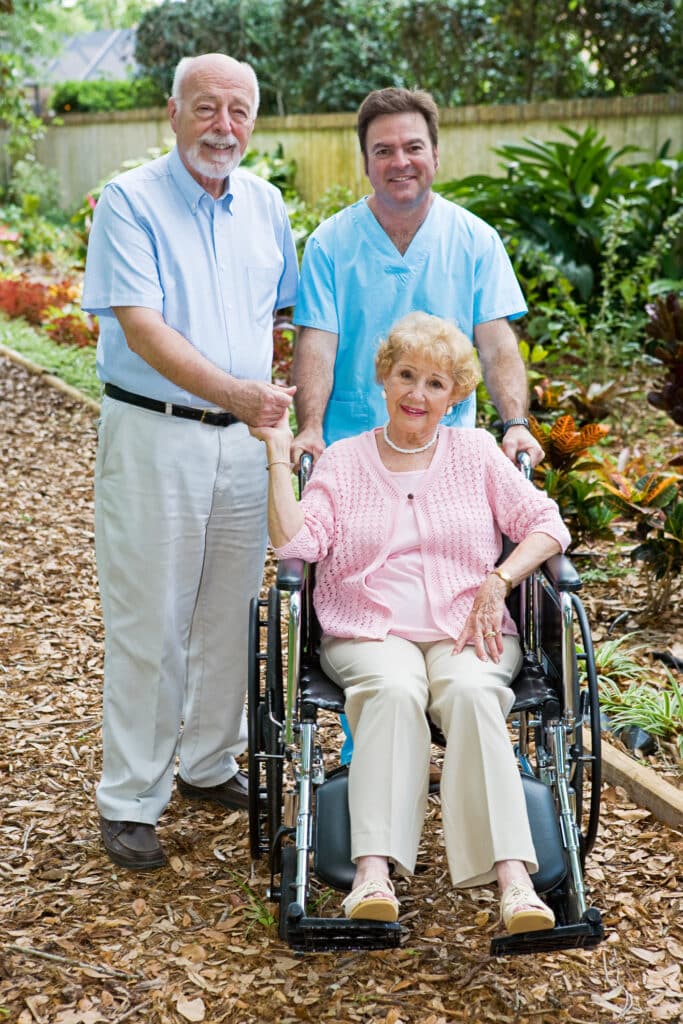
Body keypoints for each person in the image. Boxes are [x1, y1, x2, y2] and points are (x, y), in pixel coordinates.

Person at [251, 312, 570, 933]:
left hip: (466, 626)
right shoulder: (343, 461)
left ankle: (514, 880)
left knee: (477, 693)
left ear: (454, 397)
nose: (417, 394)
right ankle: (372, 872)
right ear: (383, 378)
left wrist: (500, 578)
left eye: (435, 383)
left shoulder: (475, 452)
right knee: (395, 692)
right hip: (370, 628)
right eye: (406, 376)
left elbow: (546, 524)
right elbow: (297, 544)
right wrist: (274, 452)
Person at [81, 53, 299, 871]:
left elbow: (276, 317)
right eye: (206, 108)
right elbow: (142, 327)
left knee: (229, 613)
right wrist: (242, 397)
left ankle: (210, 764)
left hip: (246, 448)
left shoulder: (267, 205)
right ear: (170, 112)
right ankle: (132, 799)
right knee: (151, 622)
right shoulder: (130, 202)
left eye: (239, 110)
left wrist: (267, 409)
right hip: (154, 433)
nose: (224, 126)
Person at [291, 86, 543, 469]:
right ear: (365, 162)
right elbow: (317, 348)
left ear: (436, 155)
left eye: (413, 147)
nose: (400, 162)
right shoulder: (329, 243)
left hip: (447, 454)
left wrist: (515, 424)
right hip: (352, 452)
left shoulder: (476, 240)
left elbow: (497, 348)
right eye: (383, 151)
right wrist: (309, 427)